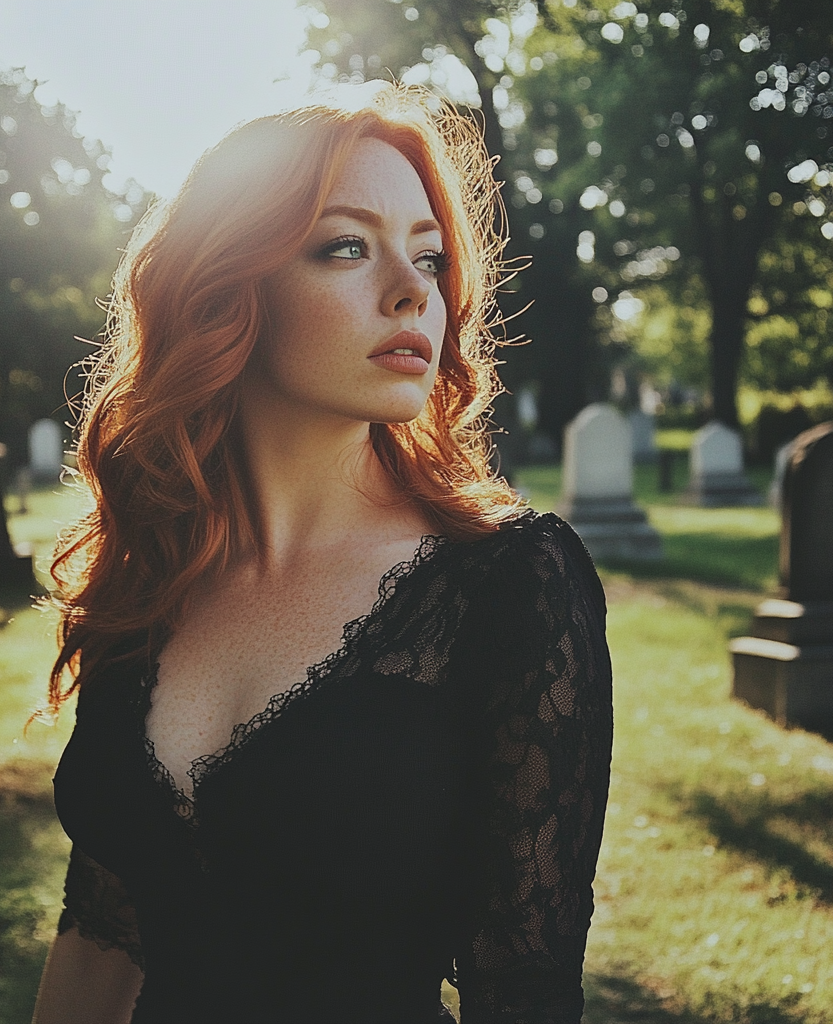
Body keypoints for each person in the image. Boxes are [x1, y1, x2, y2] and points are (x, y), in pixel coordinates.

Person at [32, 83, 612, 1024]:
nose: (414, 289)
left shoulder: (509, 583)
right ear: (227, 285)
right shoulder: (151, 568)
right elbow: (104, 929)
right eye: (348, 245)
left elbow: (526, 991)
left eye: (428, 256)